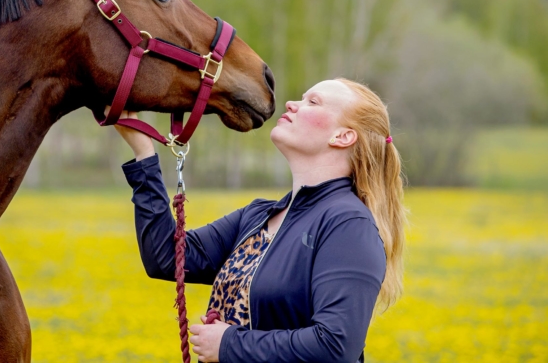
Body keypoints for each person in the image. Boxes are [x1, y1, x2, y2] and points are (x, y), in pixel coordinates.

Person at [113, 78, 406, 363]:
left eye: (312, 102)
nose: (291, 104)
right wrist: (144, 154)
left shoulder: (348, 225)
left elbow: (335, 346)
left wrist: (229, 344)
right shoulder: (257, 216)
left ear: (342, 136)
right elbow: (166, 257)